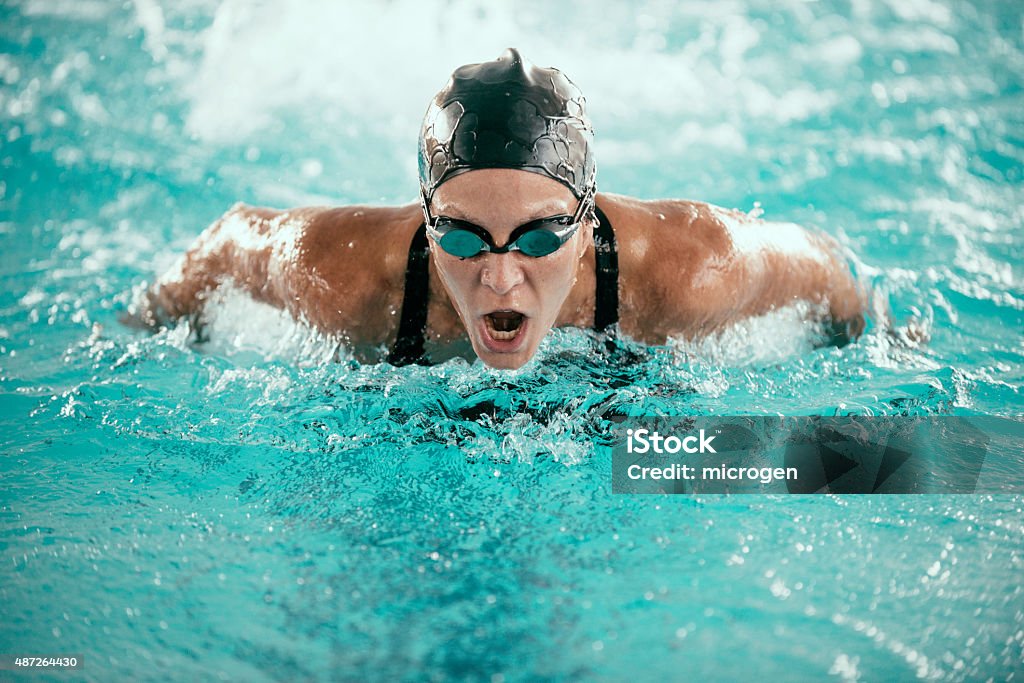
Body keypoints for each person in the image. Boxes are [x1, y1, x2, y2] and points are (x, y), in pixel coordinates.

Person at [126, 48, 865, 370]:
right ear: (425, 215)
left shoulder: (689, 268)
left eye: (539, 237)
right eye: (463, 236)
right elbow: (227, 243)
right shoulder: (345, 280)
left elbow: (828, 272)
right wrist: (143, 327)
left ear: (583, 221)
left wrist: (886, 343)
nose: (502, 278)